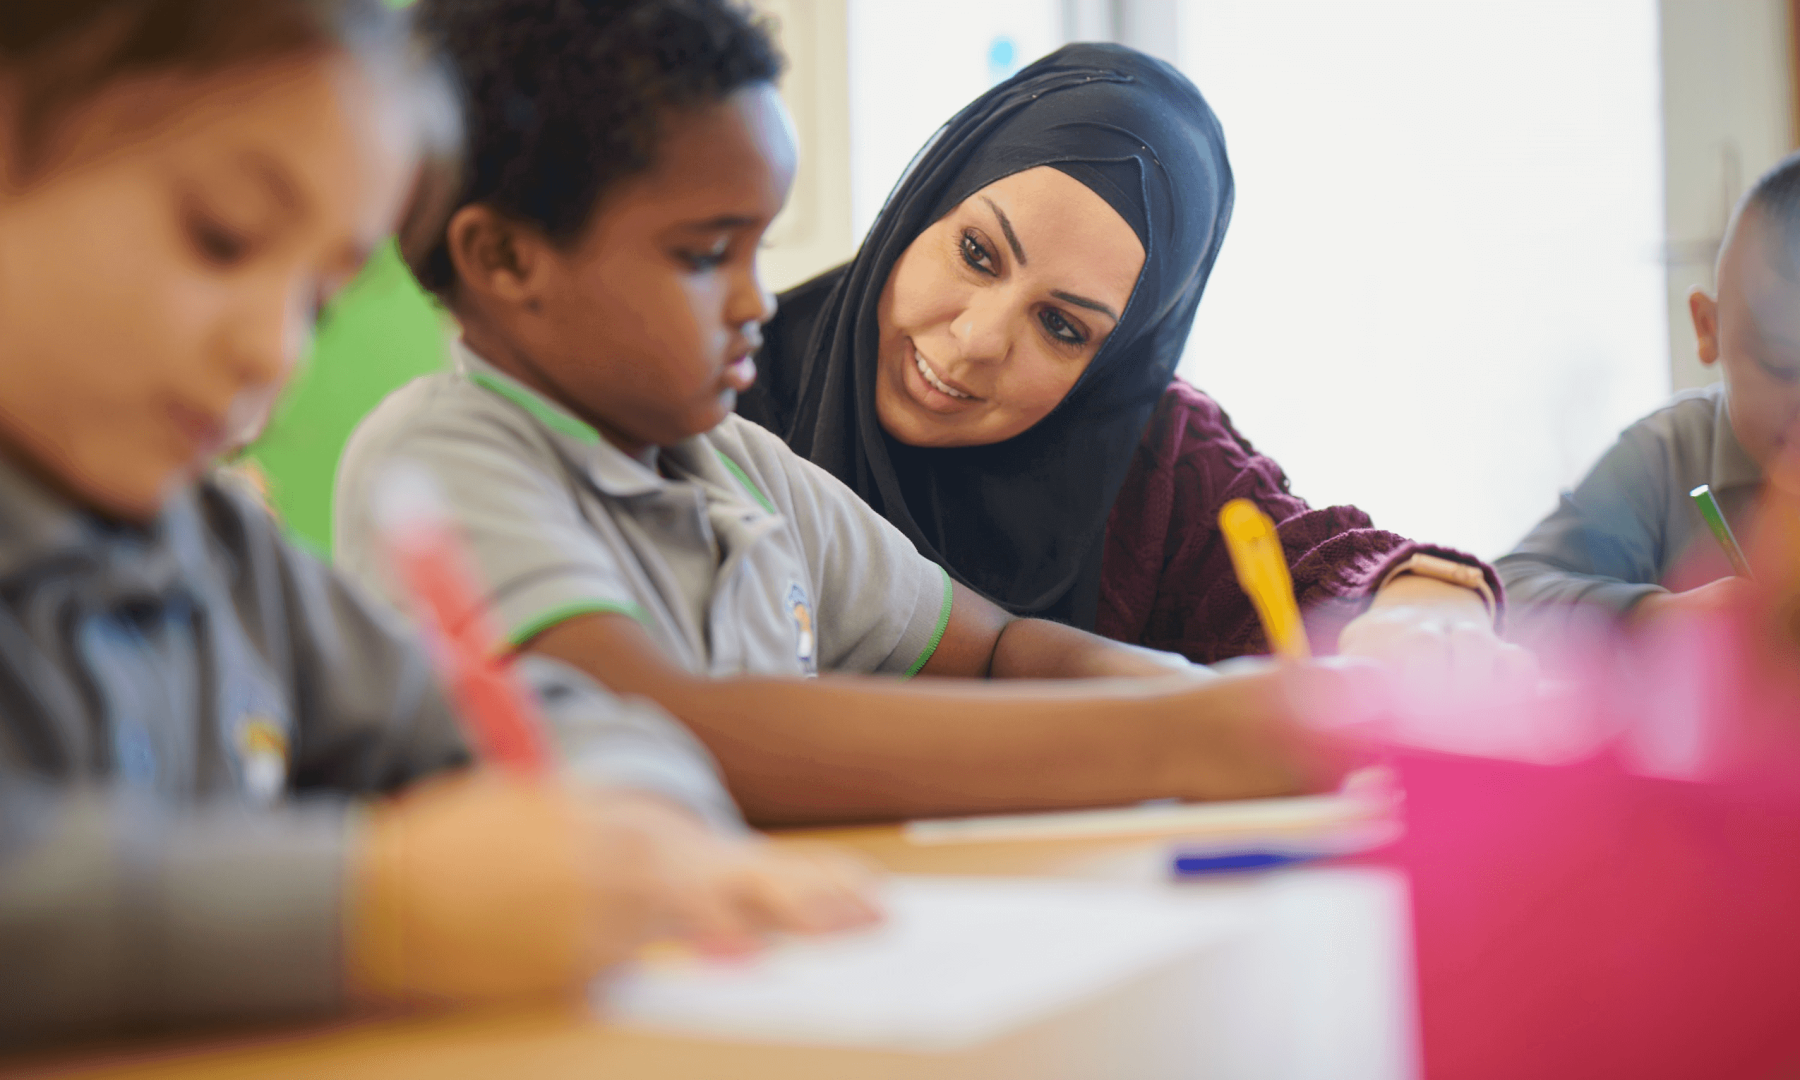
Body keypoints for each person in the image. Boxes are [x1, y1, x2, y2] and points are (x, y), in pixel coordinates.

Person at [0, 0, 875, 1049]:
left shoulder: (222, 559)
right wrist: (381, 905)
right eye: (222, 239)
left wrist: (635, 826)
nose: (274, 353)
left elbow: (509, 712)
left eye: (317, 299)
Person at [335, 0, 1357, 831]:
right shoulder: (434, 462)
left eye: (757, 249)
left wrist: (1189, 694)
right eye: (704, 256)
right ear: (507, 259)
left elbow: (998, 648)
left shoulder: (738, 467)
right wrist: (1171, 742)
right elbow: (671, 730)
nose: (755, 301)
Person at [741, 43, 1523, 671]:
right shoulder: (719, 384)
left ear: (1118, 362)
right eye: (977, 252)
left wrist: (1426, 616)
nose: (979, 340)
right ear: (922, 204)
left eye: (1063, 326)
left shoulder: (1153, 455)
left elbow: (1315, 571)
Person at [1498, 152, 1800, 629]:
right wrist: (1659, 618)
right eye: (1782, 364)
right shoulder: (1666, 459)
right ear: (1709, 327)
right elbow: (1507, 594)